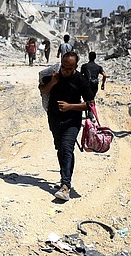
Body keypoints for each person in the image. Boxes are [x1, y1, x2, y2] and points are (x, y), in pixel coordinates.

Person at [39, 51, 95, 202]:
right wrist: (53, 82)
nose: (66, 71)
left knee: (67, 147)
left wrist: (70, 106)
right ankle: (64, 176)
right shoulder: (54, 76)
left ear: (76, 66)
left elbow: (90, 105)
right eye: (64, 67)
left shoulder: (81, 81)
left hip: (72, 121)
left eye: (69, 68)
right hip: (54, 119)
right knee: (60, 149)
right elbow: (43, 90)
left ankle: (65, 186)